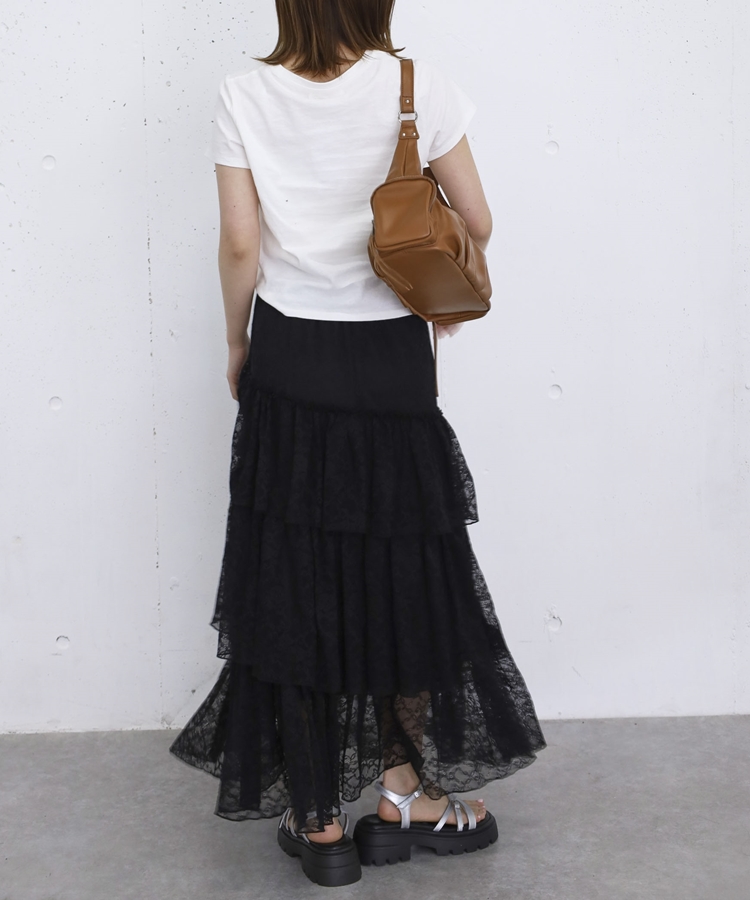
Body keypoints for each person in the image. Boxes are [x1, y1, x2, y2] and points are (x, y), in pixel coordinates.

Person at [170, 0, 546, 887]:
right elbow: (477, 220)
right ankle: (404, 797)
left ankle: (319, 823)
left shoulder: (243, 93)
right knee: (403, 576)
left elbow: (240, 243)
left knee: (291, 580)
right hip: (390, 363)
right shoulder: (418, 86)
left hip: (290, 356)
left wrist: (236, 341)